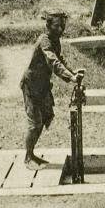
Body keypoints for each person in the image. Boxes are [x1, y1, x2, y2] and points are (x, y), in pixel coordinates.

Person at [21, 11, 85, 168]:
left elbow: (59, 59)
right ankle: (28, 157)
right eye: (57, 26)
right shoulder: (44, 41)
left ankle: (31, 154)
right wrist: (70, 78)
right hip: (31, 85)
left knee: (45, 117)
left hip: (43, 86)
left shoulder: (55, 41)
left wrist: (72, 73)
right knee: (35, 123)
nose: (61, 29)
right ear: (48, 26)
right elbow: (53, 62)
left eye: (63, 25)